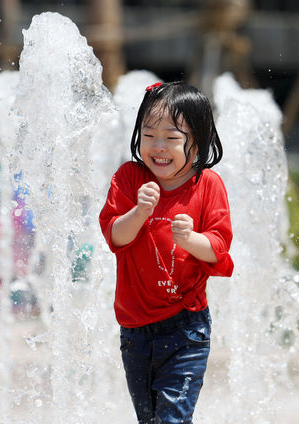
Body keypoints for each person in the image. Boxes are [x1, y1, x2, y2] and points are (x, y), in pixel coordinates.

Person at [99, 81, 234, 423]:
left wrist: (191, 240)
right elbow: (114, 235)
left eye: (172, 138)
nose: (158, 147)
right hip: (135, 328)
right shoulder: (129, 178)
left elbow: (218, 250)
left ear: (198, 141)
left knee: (172, 419)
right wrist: (138, 213)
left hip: (186, 327)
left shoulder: (208, 185)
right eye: (148, 135)